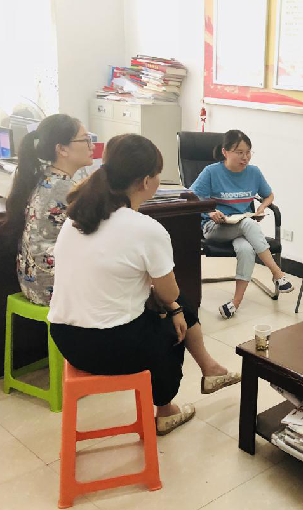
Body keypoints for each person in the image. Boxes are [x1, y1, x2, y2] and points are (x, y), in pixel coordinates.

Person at [48, 134, 240, 435]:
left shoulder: (77, 218)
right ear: (147, 181)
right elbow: (170, 292)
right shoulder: (146, 229)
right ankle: (166, 410)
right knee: (175, 323)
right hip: (112, 346)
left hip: (67, 340)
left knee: (176, 308)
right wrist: (172, 306)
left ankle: (210, 369)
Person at [189, 130, 293, 319]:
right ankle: (277, 273)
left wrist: (262, 207)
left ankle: (234, 303)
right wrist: (210, 212)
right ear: (225, 152)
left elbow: (269, 195)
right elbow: (191, 197)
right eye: (239, 152)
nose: (245, 157)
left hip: (241, 227)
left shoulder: (254, 172)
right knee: (248, 224)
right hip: (215, 227)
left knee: (246, 249)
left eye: (248, 152)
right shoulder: (211, 172)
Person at [0, 114, 94, 305]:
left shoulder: (45, 177)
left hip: (32, 283)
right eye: (85, 140)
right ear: (62, 149)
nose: (91, 146)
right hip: (52, 289)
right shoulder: (65, 189)